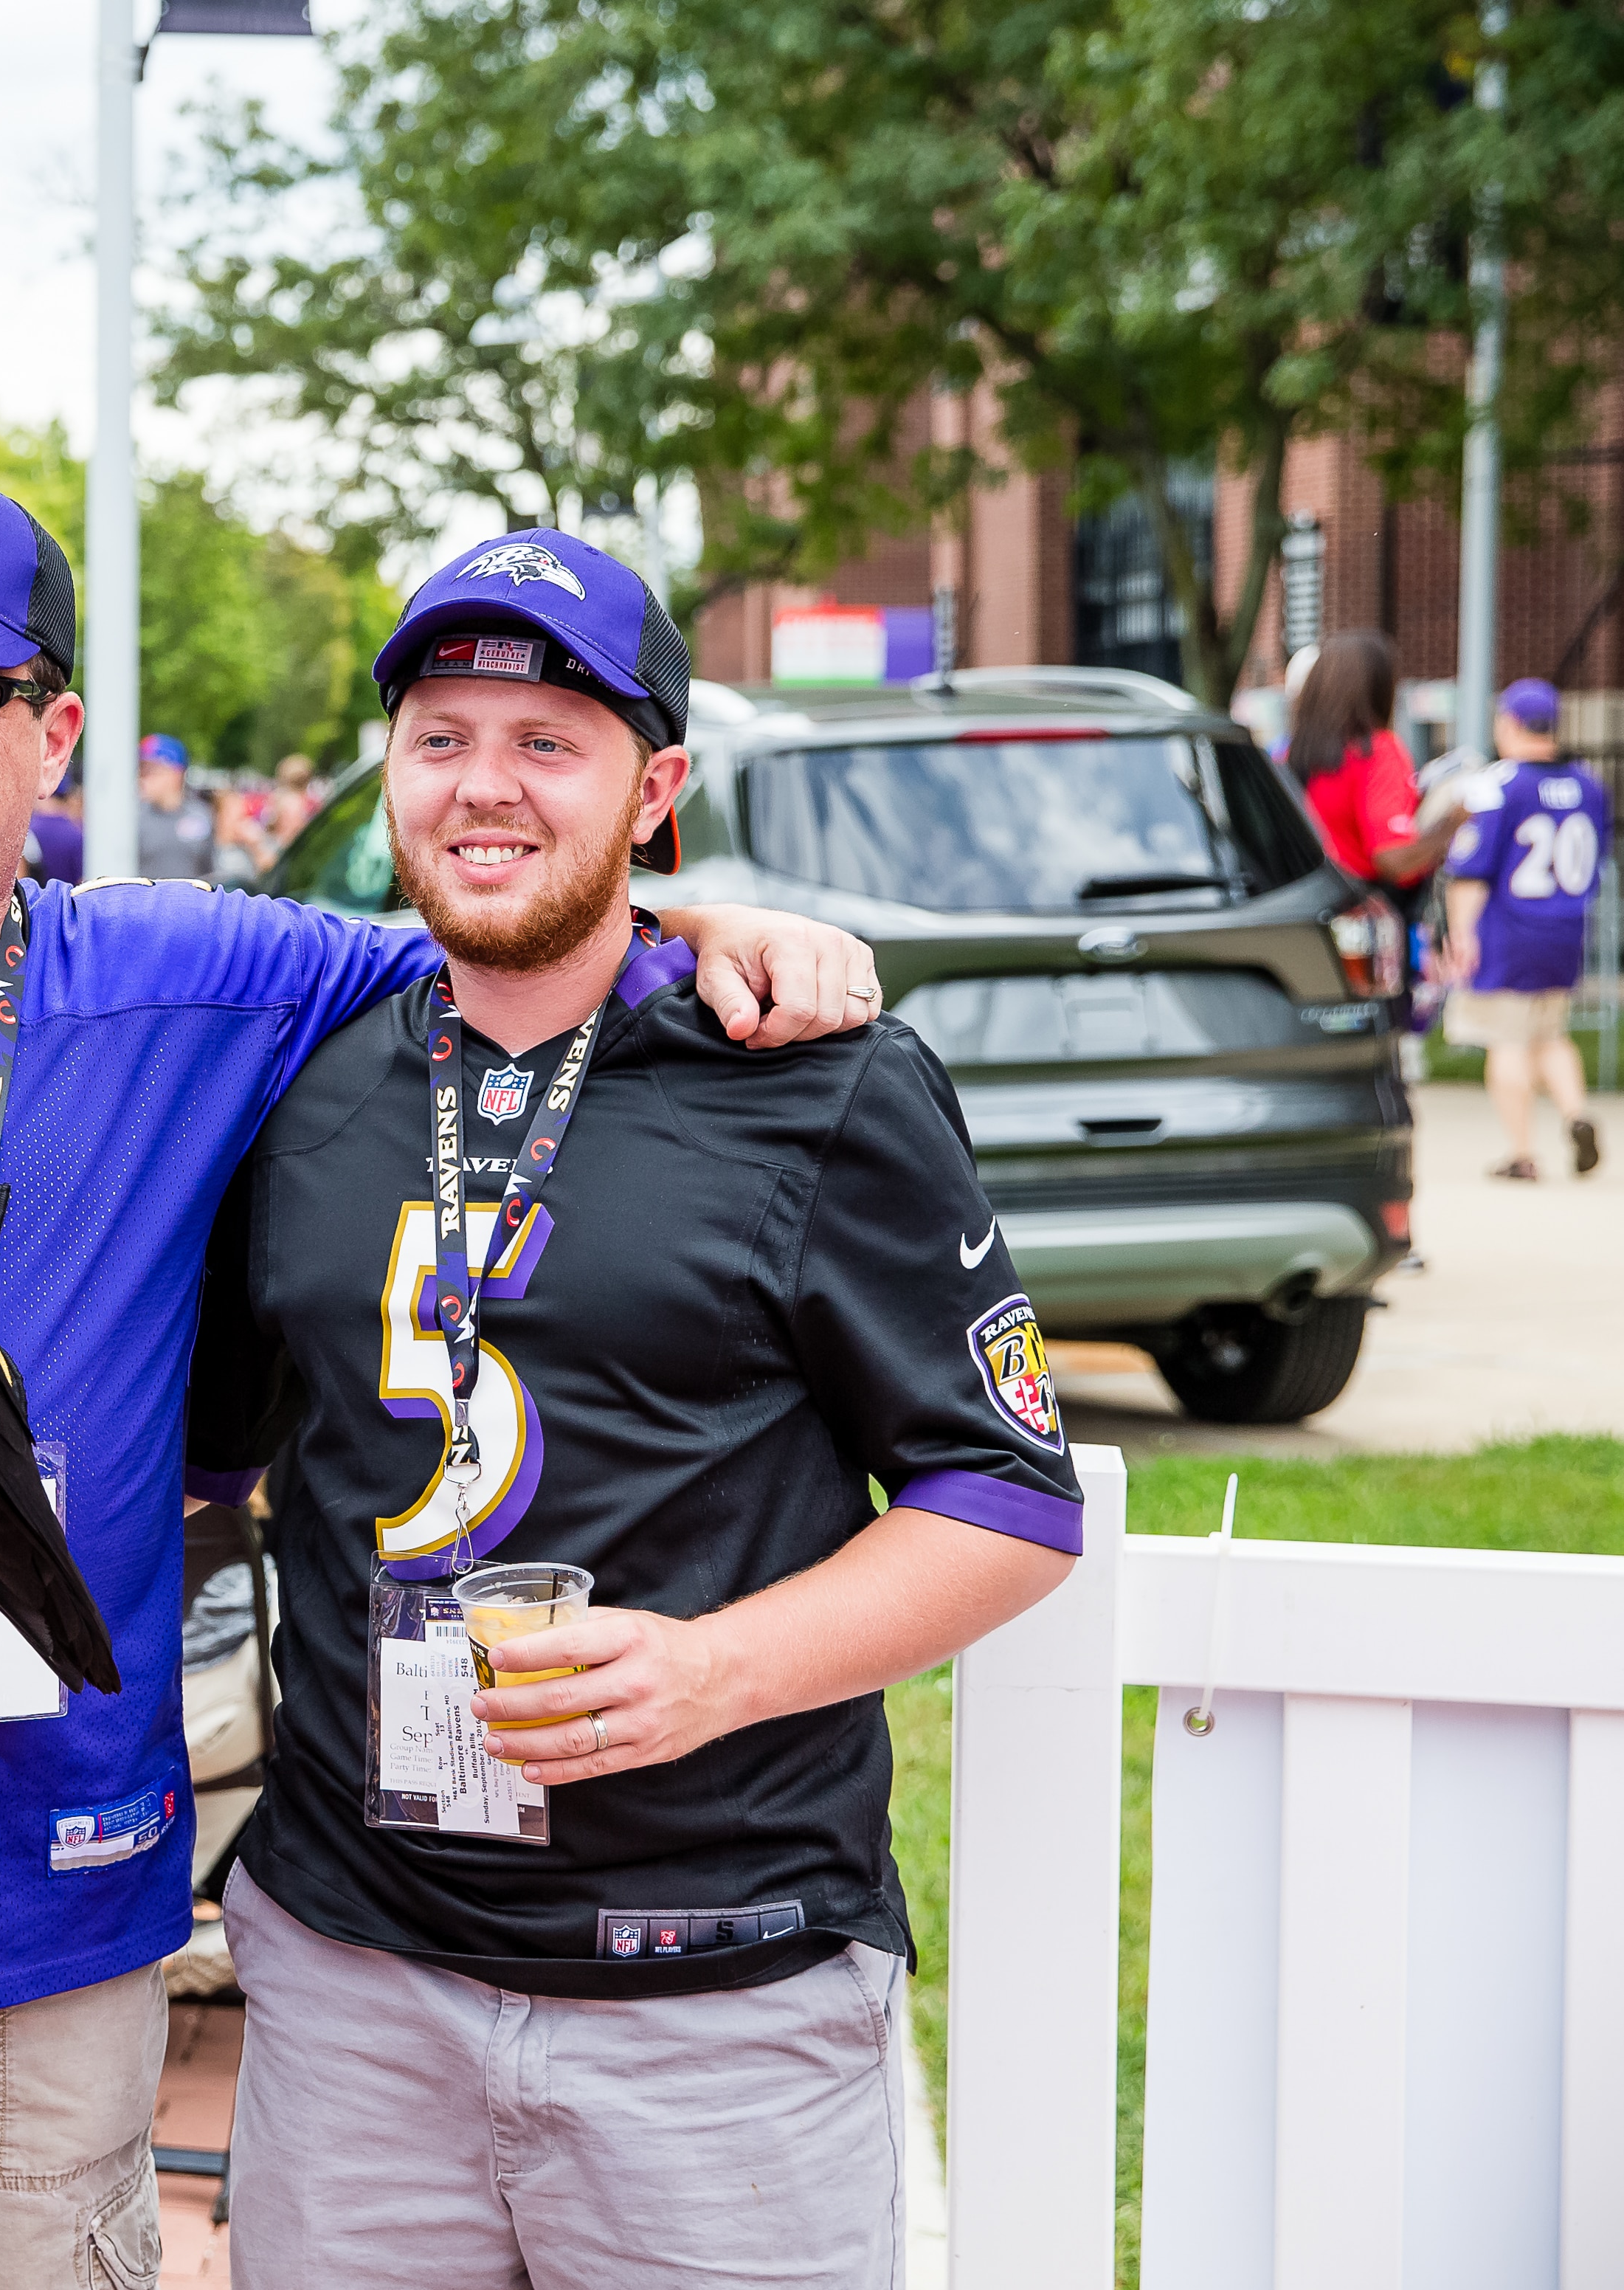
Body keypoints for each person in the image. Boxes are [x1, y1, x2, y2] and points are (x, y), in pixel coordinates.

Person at [0, 469, 885, 2288]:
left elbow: (505, 918)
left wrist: (704, 932)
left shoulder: (212, 974)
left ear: (48, 734)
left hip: (46, 1916)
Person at [185, 535, 1081, 2289]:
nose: (481, 786)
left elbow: (1007, 1498)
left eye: (546, 740)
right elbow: (213, 1459)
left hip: (717, 1998)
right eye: (439, 736)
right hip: (356, 1986)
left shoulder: (817, 1082)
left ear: (654, 787)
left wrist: (710, 1673)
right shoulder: (305, 1079)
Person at [1442, 677, 1607, 1179]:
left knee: (1508, 1040)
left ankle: (1522, 1153)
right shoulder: (1588, 785)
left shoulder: (1500, 784)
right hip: (1566, 926)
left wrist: (1461, 933)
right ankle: (1577, 1115)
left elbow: (1471, 871)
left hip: (1510, 929)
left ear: (1510, 723)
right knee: (1550, 1033)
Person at [1283, 630, 1447, 893]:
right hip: (1365, 910)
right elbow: (1392, 859)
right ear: (1378, 688)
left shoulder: (1291, 754)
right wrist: (1452, 825)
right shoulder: (1376, 752)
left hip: (1302, 902)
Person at [134, 733, 217, 880]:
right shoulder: (133, 818)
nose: (143, 778)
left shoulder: (201, 815)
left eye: (151, 771)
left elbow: (211, 870)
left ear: (176, 773)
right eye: (141, 770)